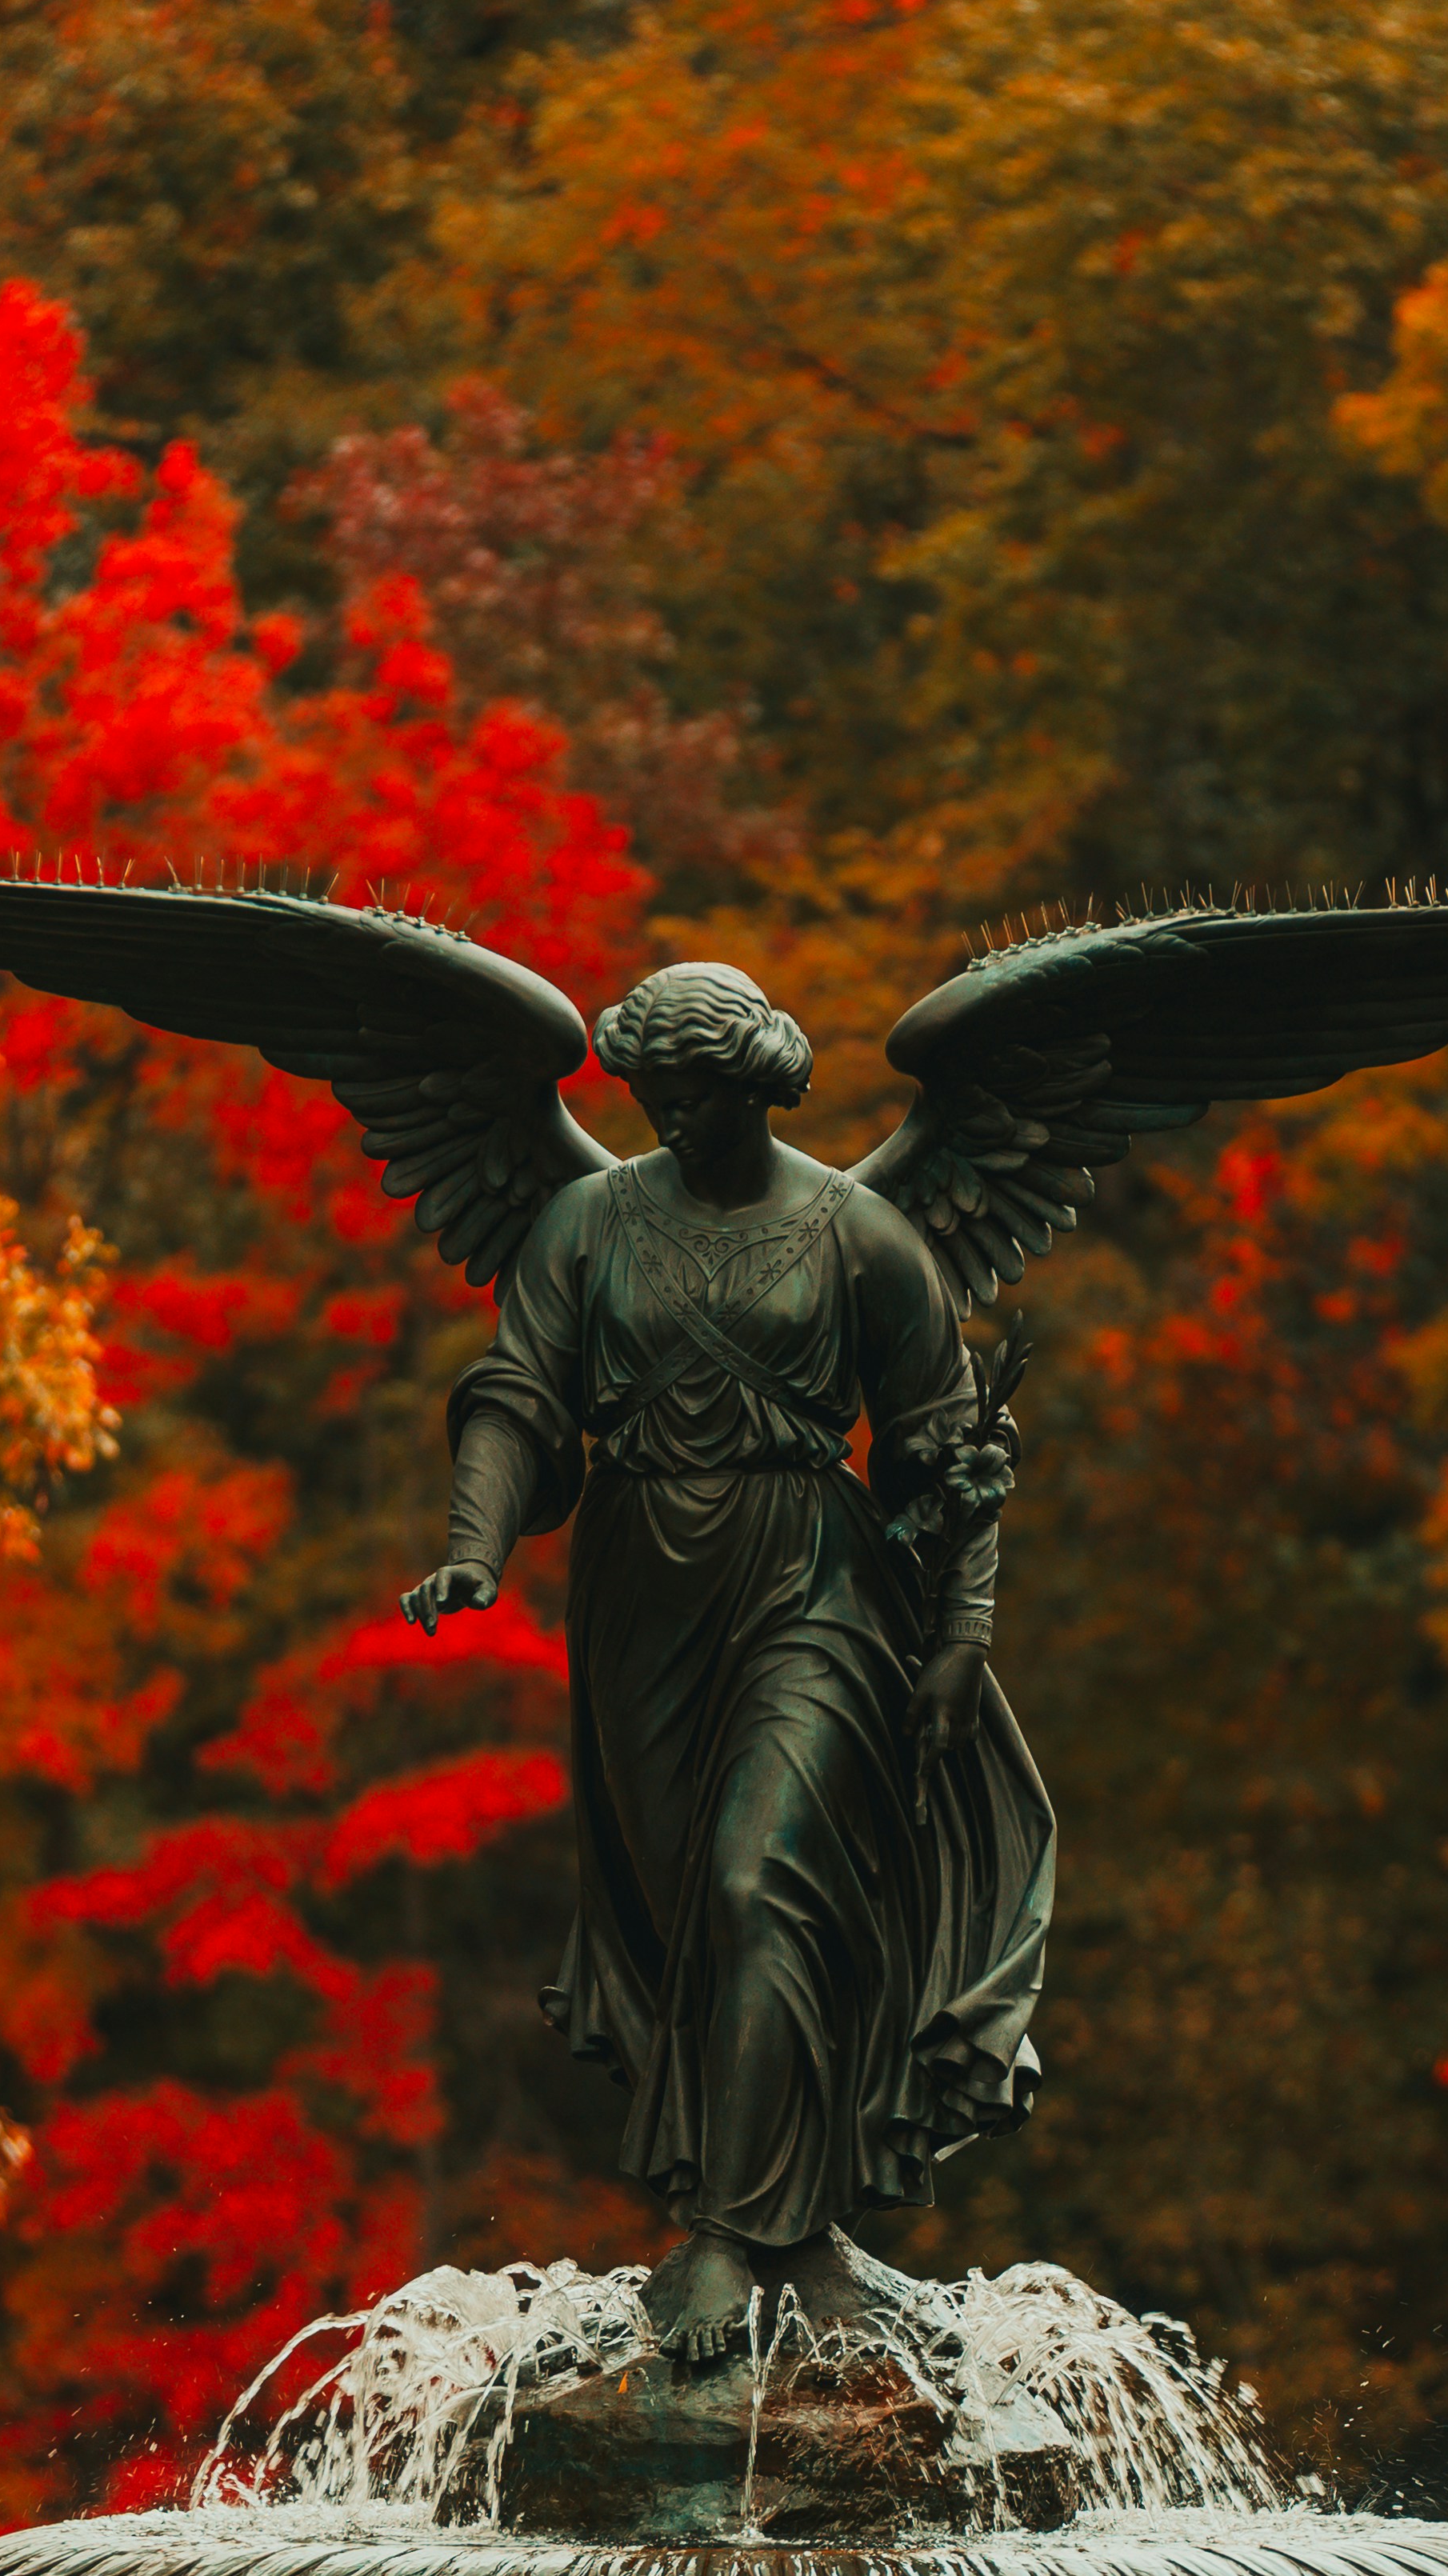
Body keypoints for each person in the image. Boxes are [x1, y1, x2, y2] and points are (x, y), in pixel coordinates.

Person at [414, 958, 1054, 2353]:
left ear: (749, 1081)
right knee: (690, 1922)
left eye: (688, 1093)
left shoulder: (857, 1233)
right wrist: (476, 1544)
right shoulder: (586, 1223)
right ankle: (799, 2230)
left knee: (762, 1878)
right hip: (641, 1596)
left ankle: (726, 2239)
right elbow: (519, 1393)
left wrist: (961, 1635)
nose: (664, 1115)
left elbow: (952, 1450)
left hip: (811, 1578)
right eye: (647, 1094)